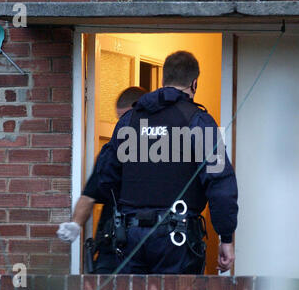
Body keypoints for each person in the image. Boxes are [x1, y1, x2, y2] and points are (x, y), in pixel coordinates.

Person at [58, 51, 238, 274]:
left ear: (163, 81)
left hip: (129, 237)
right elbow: (221, 184)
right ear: (194, 83)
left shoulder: (128, 121)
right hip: (176, 239)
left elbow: (104, 179)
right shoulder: (199, 121)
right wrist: (226, 238)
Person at [57, 86, 147, 274]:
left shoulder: (164, 150)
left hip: (149, 241)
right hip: (116, 240)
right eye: (120, 119)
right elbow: (90, 195)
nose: (124, 124)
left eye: (127, 117)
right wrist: (75, 224)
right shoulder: (113, 151)